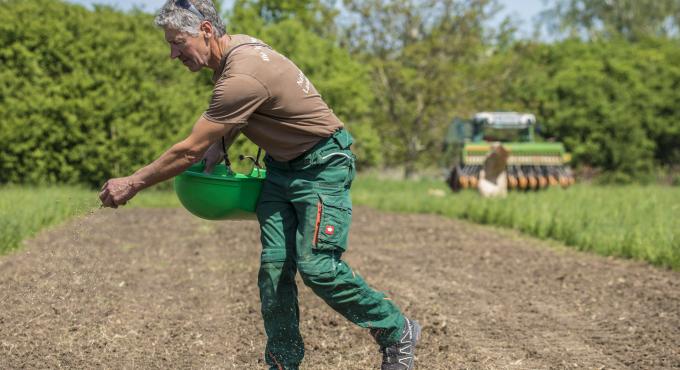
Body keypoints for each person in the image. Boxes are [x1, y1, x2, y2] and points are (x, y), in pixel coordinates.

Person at [98, 1, 421, 369]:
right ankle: (283, 362)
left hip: (322, 166)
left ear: (206, 31)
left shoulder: (241, 76)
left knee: (318, 267)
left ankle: (396, 331)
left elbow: (188, 150)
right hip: (280, 169)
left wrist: (134, 182)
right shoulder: (240, 50)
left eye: (177, 42)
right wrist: (220, 148)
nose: (173, 54)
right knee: (273, 268)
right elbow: (237, 119)